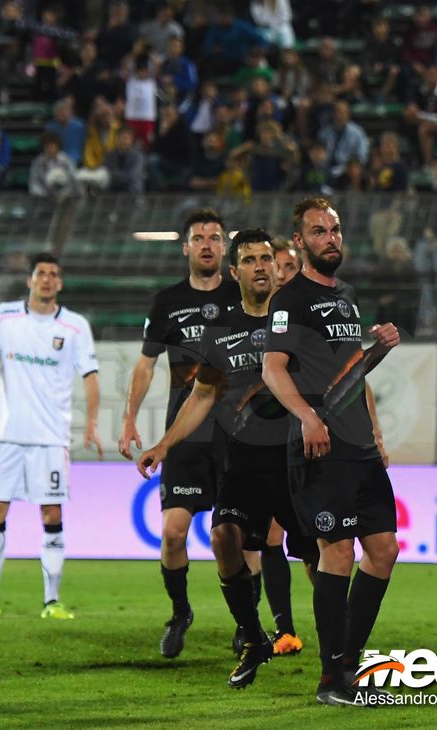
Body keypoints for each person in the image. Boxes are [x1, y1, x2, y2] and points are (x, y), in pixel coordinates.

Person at [137, 230, 317, 688]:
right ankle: (253, 636)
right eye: (250, 260)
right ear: (233, 273)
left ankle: (343, 651)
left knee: (322, 557)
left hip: (298, 462)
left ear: (279, 268)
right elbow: (201, 396)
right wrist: (164, 444)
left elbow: (337, 383)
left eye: (266, 259)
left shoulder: (298, 323)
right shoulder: (221, 336)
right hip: (245, 463)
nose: (261, 266)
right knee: (223, 538)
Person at [262, 197, 401, 706]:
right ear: (300, 242)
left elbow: (350, 375)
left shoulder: (346, 298)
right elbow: (272, 369)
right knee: (337, 551)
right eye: (318, 232)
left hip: (359, 443)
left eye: (335, 229)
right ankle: (330, 679)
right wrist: (307, 417)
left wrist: (377, 351)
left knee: (384, 550)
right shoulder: (289, 300)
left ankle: (348, 661)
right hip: (320, 446)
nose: (330, 238)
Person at [117, 209, 246, 659]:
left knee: (237, 537)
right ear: (186, 247)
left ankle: (245, 624)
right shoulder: (167, 301)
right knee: (173, 533)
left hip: (238, 433)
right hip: (186, 433)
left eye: (215, 236)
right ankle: (180, 612)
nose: (207, 243)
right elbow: (146, 363)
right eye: (198, 237)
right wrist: (130, 418)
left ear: (226, 246)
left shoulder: (244, 292)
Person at [0, 253, 102, 620]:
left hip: (51, 439)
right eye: (41, 273)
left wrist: (92, 422)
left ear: (60, 283)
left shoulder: (76, 327)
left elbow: (91, 378)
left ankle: (52, 601)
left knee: (50, 513)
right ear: (30, 280)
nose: (47, 279)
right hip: (9, 437)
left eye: (53, 275)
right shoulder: (4, 316)